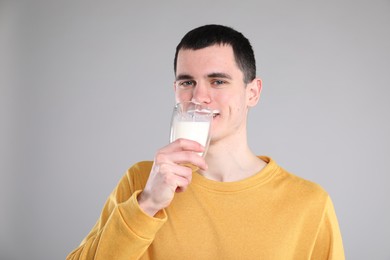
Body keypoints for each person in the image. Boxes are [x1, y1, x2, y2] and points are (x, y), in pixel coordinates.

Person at [67, 24, 345, 259]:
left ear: (252, 92)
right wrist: (147, 204)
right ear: (175, 90)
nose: (199, 96)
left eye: (218, 81)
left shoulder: (310, 203)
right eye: (187, 82)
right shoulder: (141, 181)